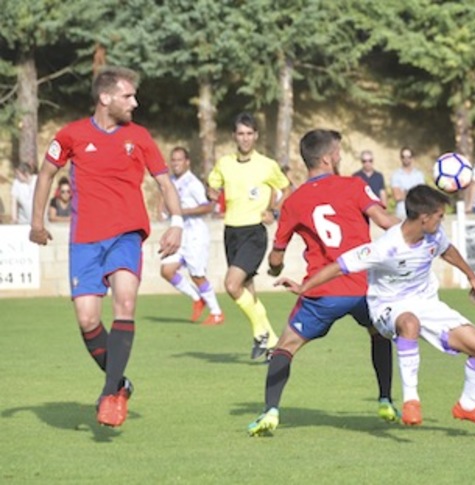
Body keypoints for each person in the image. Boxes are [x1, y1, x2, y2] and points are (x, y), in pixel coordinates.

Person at [274, 184, 475, 434]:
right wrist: (304, 286)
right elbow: (340, 266)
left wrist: (472, 277)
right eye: (439, 216)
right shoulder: (385, 247)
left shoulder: (434, 235)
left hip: (427, 304)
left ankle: (468, 406)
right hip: (387, 307)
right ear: (424, 218)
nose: (442, 221)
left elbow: (447, 251)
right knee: (410, 323)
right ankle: (411, 401)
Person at [28, 66, 183, 427]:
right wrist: (37, 222)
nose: (135, 102)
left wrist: (176, 224)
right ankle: (120, 383)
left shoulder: (140, 137)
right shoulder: (71, 135)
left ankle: (110, 393)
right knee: (87, 319)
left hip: (127, 234)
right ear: (106, 98)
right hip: (84, 239)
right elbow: (47, 173)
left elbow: (164, 182)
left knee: (125, 303)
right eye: (128, 96)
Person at [247, 129, 401, 437]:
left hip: (322, 290)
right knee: (378, 334)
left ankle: (271, 411)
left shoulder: (294, 201)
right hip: (363, 287)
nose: (341, 158)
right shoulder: (354, 185)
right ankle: (385, 399)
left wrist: (274, 270)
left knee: (285, 348)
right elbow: (385, 222)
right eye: (339, 153)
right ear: (328, 158)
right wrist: (421, 232)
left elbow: (276, 257)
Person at [207, 112, 291, 359]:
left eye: (249, 134)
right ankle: (269, 341)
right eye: (240, 134)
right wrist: (211, 192)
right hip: (231, 231)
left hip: (254, 231)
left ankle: (262, 333)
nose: (245, 138)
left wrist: (273, 211)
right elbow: (213, 185)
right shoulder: (225, 163)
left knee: (231, 285)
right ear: (234, 136)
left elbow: (286, 189)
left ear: (255, 136)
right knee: (246, 288)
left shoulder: (267, 165)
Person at [160, 147, 224, 326]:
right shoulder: (172, 181)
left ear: (187, 162)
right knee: (167, 270)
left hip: (195, 234)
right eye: (173, 160)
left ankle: (217, 312)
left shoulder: (193, 183)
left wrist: (183, 211)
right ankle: (197, 298)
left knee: (197, 275)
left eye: (179, 160)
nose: (176, 164)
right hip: (180, 234)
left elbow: (208, 207)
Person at [390, 146, 425, 219]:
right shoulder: (396, 175)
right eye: (404, 157)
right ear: (401, 158)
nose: (406, 159)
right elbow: (397, 196)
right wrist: (414, 193)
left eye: (409, 157)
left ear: (412, 158)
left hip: (417, 212)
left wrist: (405, 193)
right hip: (402, 213)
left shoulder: (419, 175)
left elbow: (421, 195)